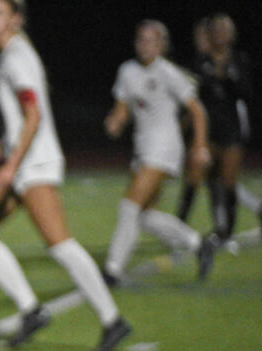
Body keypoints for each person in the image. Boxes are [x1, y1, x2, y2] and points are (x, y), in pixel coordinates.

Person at [0, 0, 132, 351]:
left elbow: (34, 115)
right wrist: (4, 145)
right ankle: (31, 310)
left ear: (16, 18)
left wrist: (12, 165)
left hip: (35, 164)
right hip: (23, 161)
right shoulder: (12, 55)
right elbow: (24, 117)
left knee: (60, 245)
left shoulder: (16, 57)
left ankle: (112, 319)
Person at [102, 20, 216, 285]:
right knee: (146, 216)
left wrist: (199, 146)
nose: (145, 45)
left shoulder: (169, 73)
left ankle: (112, 270)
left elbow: (198, 112)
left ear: (162, 45)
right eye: (141, 39)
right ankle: (198, 243)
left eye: (152, 40)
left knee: (129, 206)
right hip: (142, 149)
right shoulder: (127, 70)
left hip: (165, 146)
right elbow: (122, 107)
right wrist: (116, 122)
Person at [193, 14, 256, 248]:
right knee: (211, 181)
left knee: (229, 182)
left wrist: (228, 77)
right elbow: (197, 95)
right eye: (215, 30)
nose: (220, 35)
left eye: (224, 30)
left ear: (231, 35)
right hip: (210, 128)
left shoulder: (239, 60)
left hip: (232, 127)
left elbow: (246, 92)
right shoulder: (202, 61)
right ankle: (220, 227)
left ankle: (228, 232)